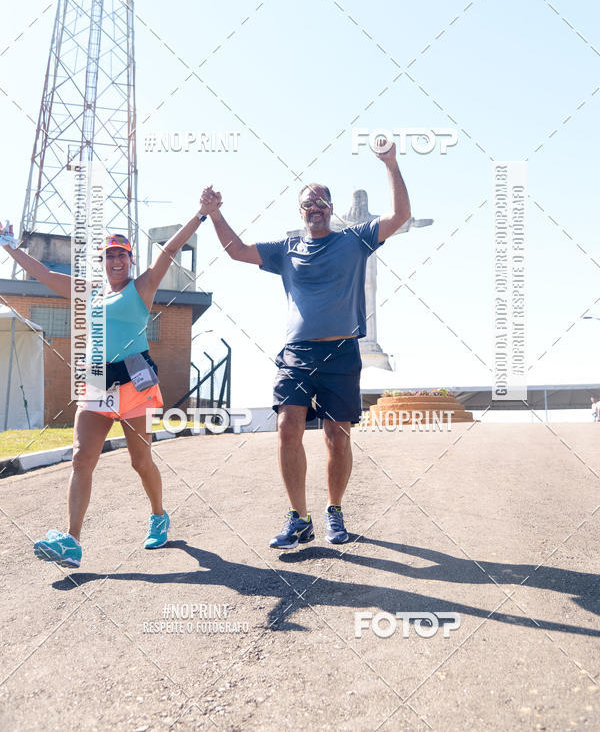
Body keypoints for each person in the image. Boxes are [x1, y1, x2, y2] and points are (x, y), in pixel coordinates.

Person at [201, 142, 411, 549]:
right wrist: (214, 214)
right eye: (307, 203)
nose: (314, 207)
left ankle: (334, 511)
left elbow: (400, 216)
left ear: (330, 208)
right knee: (287, 428)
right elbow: (237, 251)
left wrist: (391, 164)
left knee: (337, 437)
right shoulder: (287, 250)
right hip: (297, 354)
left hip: (341, 353)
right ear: (301, 211)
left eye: (320, 201)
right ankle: (299, 518)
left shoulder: (355, 240)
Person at [2, 202, 211, 568]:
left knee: (139, 460)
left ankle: (159, 515)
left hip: (135, 382)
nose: (116, 260)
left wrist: (200, 213)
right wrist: (7, 246)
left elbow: (169, 250)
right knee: (82, 459)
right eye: (110, 255)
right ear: (103, 260)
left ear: (130, 260)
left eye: (122, 255)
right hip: (97, 382)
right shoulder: (91, 293)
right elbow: (44, 274)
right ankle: (72, 541)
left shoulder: (142, 287)